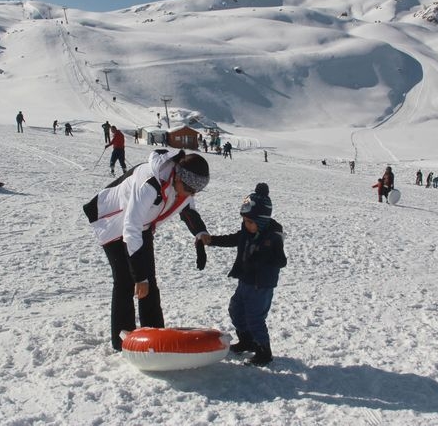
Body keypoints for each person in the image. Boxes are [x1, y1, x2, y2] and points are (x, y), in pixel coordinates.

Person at [83, 149, 211, 351]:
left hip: (141, 226)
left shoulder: (183, 184)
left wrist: (200, 233)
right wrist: (139, 276)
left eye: (195, 191)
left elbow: (187, 208)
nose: (191, 194)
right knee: (126, 281)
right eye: (189, 188)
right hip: (111, 221)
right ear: (177, 175)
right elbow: (130, 228)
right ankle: (122, 341)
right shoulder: (150, 184)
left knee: (149, 283)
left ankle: (155, 336)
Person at [201, 183, 286, 367]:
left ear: (261, 221)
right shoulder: (247, 232)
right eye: (244, 220)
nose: (246, 225)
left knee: (255, 318)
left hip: (261, 285)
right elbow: (234, 239)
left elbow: (281, 261)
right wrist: (212, 240)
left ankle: (264, 351)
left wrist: (267, 255)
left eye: (250, 222)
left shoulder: (273, 237)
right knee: (236, 310)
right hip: (245, 280)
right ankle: (247, 340)